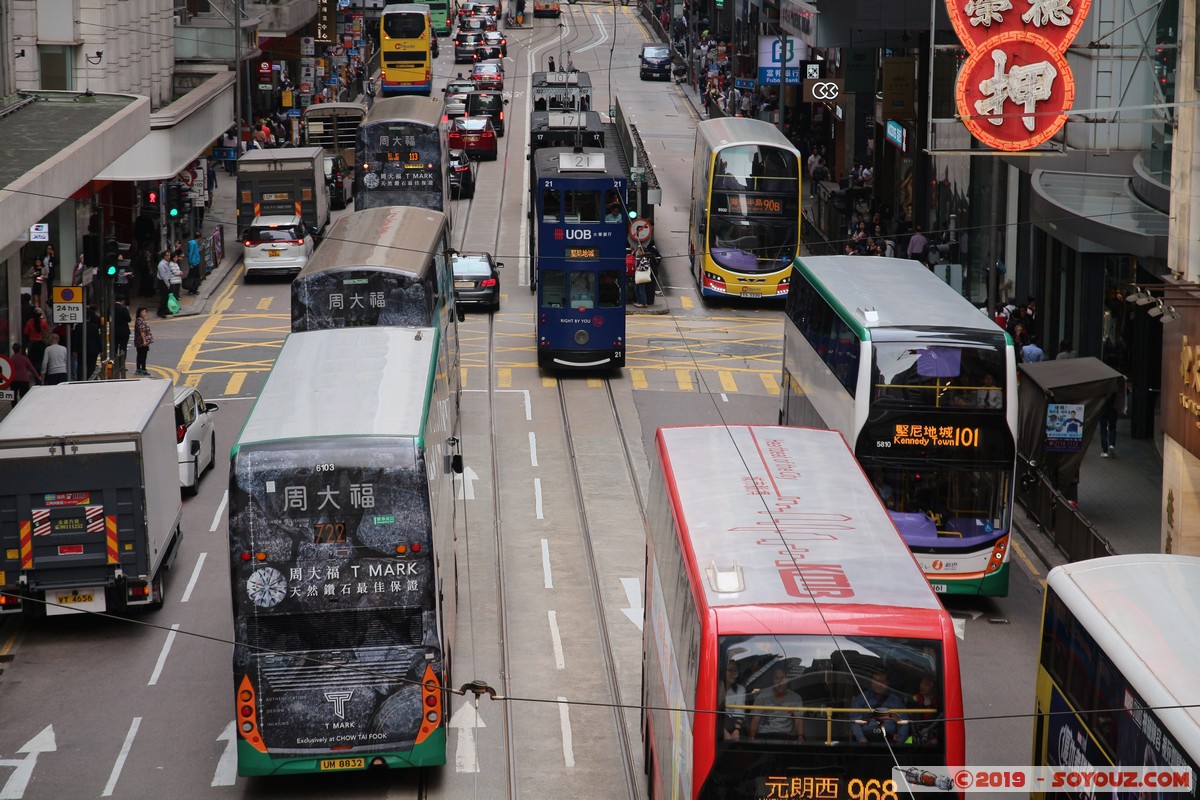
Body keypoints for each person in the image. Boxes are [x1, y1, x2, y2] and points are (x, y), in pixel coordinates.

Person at [849, 670, 908, 744]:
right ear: (871, 681)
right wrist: (861, 738)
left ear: (887, 682)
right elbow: (855, 721)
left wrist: (900, 741)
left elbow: (903, 722)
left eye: (882, 681)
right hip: (866, 739)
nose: (879, 684)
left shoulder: (896, 701)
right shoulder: (861, 698)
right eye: (876, 681)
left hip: (889, 740)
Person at [748, 666, 804, 743]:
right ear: (773, 680)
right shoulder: (762, 696)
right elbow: (755, 720)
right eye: (777, 678)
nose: (780, 682)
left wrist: (800, 736)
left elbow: (798, 719)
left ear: (788, 680)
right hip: (764, 736)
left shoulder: (796, 698)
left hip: (786, 737)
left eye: (783, 678)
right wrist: (751, 739)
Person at [719, 660, 749, 740]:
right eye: (730, 670)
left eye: (735, 671)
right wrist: (723, 731)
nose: (733, 674)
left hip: (732, 724)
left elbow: (739, 711)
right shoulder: (716, 687)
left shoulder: (740, 689)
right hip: (717, 724)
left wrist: (737, 730)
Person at [908, 674, 940, 746]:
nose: (922, 686)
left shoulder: (939, 702)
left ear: (934, 687)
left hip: (932, 738)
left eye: (927, 685)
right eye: (921, 683)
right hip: (915, 736)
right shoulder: (914, 699)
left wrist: (938, 738)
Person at [1099, 383, 1122, 458]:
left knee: (1103, 431)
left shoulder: (1101, 387)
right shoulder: (1115, 386)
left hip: (1102, 410)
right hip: (1113, 410)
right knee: (1112, 428)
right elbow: (1126, 392)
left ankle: (1105, 451)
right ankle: (1112, 445)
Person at [134, 307, 154, 376]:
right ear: (139, 313)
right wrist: (144, 341)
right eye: (143, 312)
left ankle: (139, 369)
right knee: (142, 355)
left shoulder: (140, 320)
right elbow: (142, 332)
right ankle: (143, 369)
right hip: (141, 342)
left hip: (139, 341)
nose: (144, 313)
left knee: (140, 355)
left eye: (145, 312)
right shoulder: (140, 321)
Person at [156, 250, 173, 318]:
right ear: (164, 256)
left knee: (167, 297)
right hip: (163, 282)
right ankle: (160, 312)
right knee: (163, 297)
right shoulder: (161, 264)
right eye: (167, 255)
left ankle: (165, 309)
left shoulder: (167, 263)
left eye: (169, 255)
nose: (169, 257)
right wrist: (167, 284)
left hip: (167, 280)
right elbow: (163, 275)